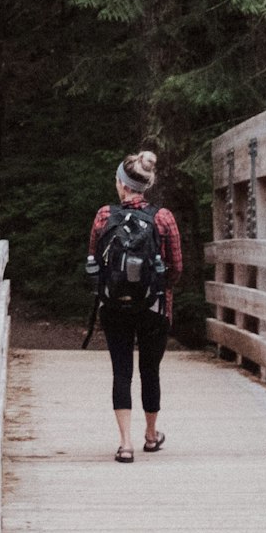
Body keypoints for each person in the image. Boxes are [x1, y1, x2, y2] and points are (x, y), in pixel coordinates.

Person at [88, 150, 183, 462]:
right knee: (150, 370)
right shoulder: (163, 218)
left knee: (122, 371)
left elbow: (94, 259)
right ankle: (151, 436)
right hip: (154, 307)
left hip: (114, 306)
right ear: (148, 185)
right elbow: (177, 268)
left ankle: (125, 443)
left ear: (121, 184)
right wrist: (157, 288)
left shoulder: (104, 215)